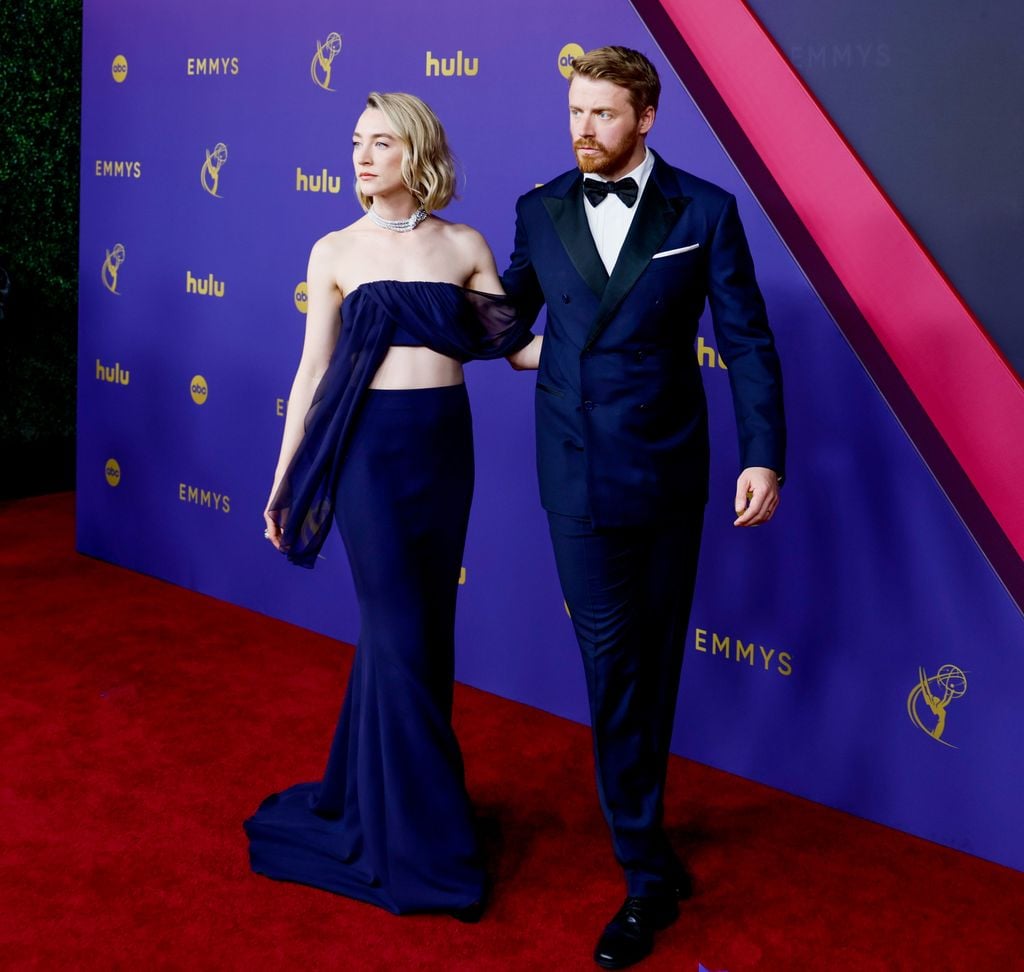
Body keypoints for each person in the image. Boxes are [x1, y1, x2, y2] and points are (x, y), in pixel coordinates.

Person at [502, 46, 786, 968]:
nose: (582, 129)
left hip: (667, 476)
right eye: (575, 113)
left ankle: (645, 844)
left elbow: (745, 342)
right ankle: (645, 872)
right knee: (614, 663)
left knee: (652, 664)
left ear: (647, 117)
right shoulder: (540, 208)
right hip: (575, 474)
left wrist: (765, 456)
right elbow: (506, 318)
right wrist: (406, 264)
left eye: (602, 115)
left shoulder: (704, 211)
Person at [244, 91, 533, 919]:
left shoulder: (464, 244)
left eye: (382, 143)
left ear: (418, 153)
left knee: (420, 635)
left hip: (443, 451)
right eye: (356, 143)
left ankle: (376, 799)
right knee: (398, 632)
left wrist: (617, 344)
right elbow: (311, 374)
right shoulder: (334, 249)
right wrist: (285, 476)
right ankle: (428, 840)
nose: (363, 157)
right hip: (367, 452)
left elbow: (516, 350)